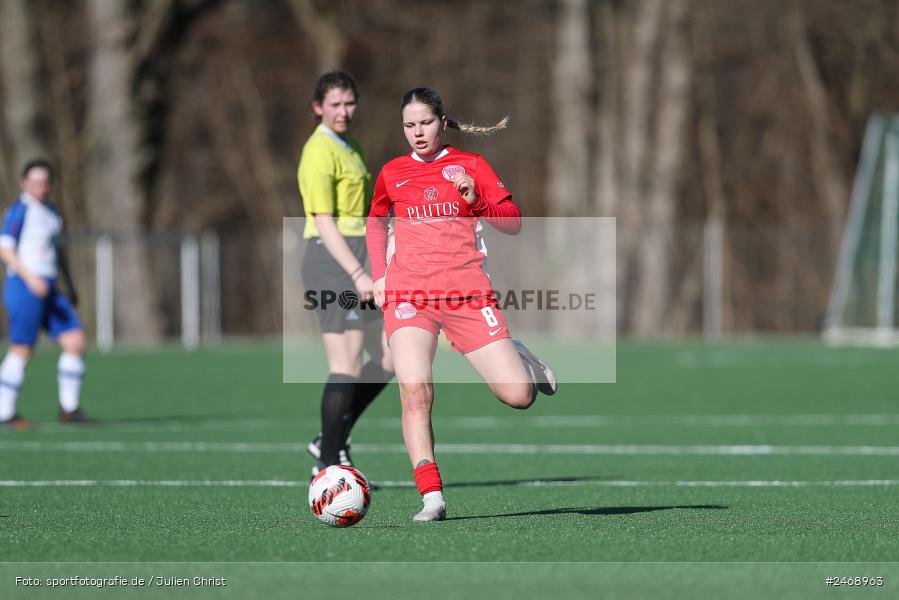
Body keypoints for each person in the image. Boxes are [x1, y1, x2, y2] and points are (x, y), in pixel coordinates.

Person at [367, 87, 557, 522]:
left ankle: (521, 356)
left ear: (443, 121)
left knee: (518, 396)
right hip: (408, 296)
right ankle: (431, 496)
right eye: (409, 125)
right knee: (415, 392)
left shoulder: (471, 165)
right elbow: (376, 222)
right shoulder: (392, 173)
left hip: (467, 296)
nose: (417, 133)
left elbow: (512, 223)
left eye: (426, 123)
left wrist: (474, 198)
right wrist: (380, 275)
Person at [297, 71, 394, 477]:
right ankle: (329, 462)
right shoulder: (318, 151)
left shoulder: (350, 146)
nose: (344, 111)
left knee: (391, 357)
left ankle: (329, 438)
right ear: (318, 107)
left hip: (357, 260)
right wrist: (357, 272)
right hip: (331, 261)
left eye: (349, 103)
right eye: (335, 104)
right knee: (348, 361)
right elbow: (324, 221)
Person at [0, 159, 90, 430]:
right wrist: (31, 278)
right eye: (35, 182)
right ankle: (4, 412)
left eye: (45, 182)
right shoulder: (19, 211)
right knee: (22, 348)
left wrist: (70, 285)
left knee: (75, 340)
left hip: (50, 288)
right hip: (25, 286)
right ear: (25, 183)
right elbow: (5, 250)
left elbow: (57, 253)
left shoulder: (51, 213)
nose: (41, 187)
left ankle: (69, 408)